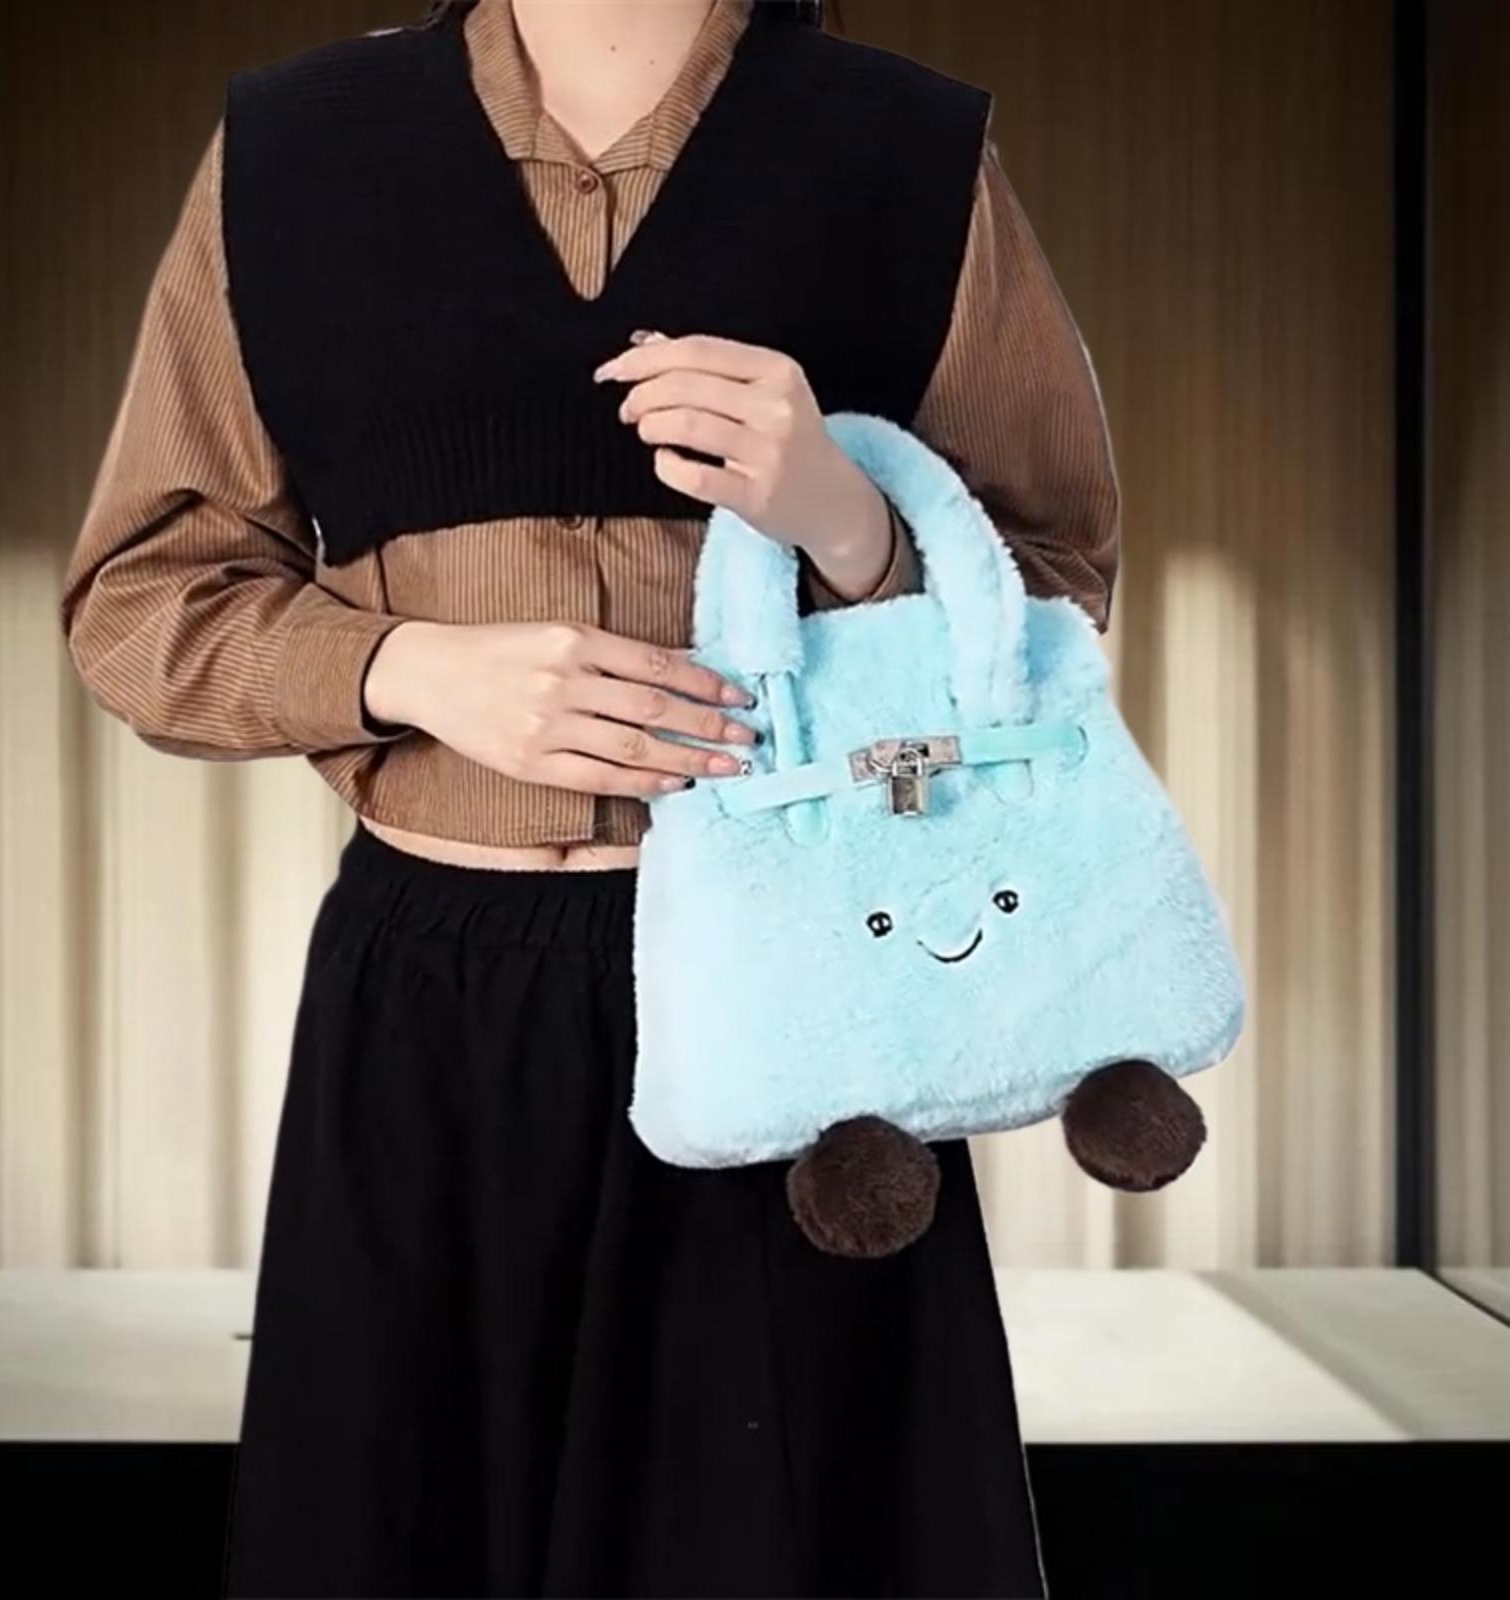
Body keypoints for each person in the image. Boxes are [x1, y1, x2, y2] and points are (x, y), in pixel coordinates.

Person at [59, 1, 1120, 1594]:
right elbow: (142, 598)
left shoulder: (909, 150)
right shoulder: (296, 149)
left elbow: (1056, 597)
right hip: (425, 1006)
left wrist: (854, 523)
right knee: (403, 1536)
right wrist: (403, 667)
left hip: (798, 990)